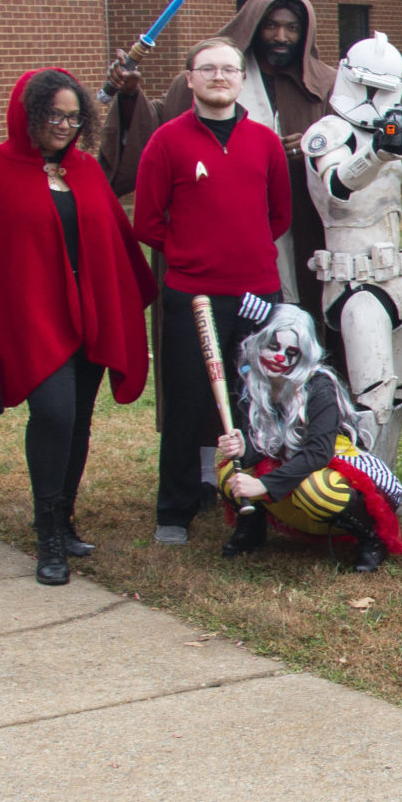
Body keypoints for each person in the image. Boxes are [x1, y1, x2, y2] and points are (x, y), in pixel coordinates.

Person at [0, 69, 157, 587]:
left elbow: (112, 239)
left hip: (88, 314)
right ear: (28, 114)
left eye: (72, 116)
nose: (63, 126)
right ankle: (45, 533)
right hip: (32, 318)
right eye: (52, 116)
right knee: (54, 414)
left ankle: (65, 520)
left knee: (79, 418)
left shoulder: (84, 171)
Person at [132, 36, 291, 547]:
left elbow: (279, 215)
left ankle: (254, 501)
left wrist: (241, 254)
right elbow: (148, 222)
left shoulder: (265, 141)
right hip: (191, 297)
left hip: (257, 295)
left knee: (258, 401)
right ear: (191, 79)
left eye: (229, 69)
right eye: (208, 70)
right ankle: (174, 510)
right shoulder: (167, 141)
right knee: (187, 402)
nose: (219, 77)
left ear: (242, 79)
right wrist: (192, 256)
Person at [101, 0, 333, 303]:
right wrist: (128, 95)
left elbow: (350, 151)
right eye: (271, 25)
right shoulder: (204, 82)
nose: (281, 36)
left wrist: (315, 147)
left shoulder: (325, 85)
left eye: (292, 28)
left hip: (293, 233)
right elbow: (158, 132)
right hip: (202, 264)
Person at [300, 33, 402, 468]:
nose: (374, 96)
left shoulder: (388, 129)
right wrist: (376, 152)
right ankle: (364, 495)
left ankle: (385, 486)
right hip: (351, 279)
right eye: (367, 85)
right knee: (372, 395)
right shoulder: (326, 132)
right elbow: (338, 185)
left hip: (394, 276)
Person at [214, 305, 402, 574]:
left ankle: (369, 536)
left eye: (291, 353)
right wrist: (242, 447)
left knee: (318, 489)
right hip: (289, 465)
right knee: (229, 471)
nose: (280, 357)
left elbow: (318, 453)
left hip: (333, 466)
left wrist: (262, 485)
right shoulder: (255, 380)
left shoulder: (320, 386)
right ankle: (252, 526)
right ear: (259, 343)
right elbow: (264, 444)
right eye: (273, 346)